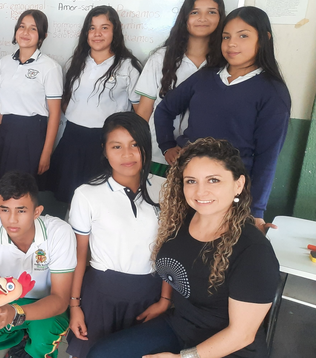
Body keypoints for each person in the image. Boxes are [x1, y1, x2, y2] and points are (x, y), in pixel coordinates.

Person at [87, 138, 280, 358]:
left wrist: (182, 357)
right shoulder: (181, 220)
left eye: (213, 180)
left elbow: (241, 335)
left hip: (230, 349)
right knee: (101, 355)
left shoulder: (254, 251)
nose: (200, 191)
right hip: (180, 326)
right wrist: (165, 301)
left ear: (238, 184)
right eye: (191, 181)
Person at [154, 6, 291, 229]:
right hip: (187, 181)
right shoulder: (206, 77)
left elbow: (267, 157)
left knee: (216, 244)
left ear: (264, 39)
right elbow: (164, 109)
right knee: (177, 235)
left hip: (229, 193)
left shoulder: (272, 92)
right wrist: (167, 145)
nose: (231, 44)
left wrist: (256, 211)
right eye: (226, 37)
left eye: (243, 36)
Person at [66, 112, 170, 358]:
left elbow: (169, 249)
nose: (127, 154)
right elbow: (80, 255)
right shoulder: (87, 194)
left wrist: (165, 299)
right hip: (101, 294)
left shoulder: (165, 189)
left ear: (146, 147)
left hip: (148, 294)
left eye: (135, 145)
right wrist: (75, 305)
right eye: (117, 146)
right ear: (104, 150)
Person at [0, 171, 76, 358]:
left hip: (47, 303)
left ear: (37, 212)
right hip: (9, 302)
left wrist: (16, 313)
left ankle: (34, 349)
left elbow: (60, 299)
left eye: (21, 210)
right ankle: (21, 338)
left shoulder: (59, 232)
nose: (12, 219)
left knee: (46, 331)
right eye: (5, 210)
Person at [47, 5, 141, 202]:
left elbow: (140, 111)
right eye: (92, 28)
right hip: (73, 139)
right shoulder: (75, 63)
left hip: (106, 142)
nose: (97, 34)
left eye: (104, 28)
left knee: (100, 198)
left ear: (115, 32)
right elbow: (66, 100)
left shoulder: (128, 66)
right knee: (69, 196)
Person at [133, 0, 225, 177]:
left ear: (221, 17)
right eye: (195, 12)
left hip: (205, 157)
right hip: (159, 154)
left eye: (211, 12)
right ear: (185, 17)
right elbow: (144, 109)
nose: (202, 18)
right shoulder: (161, 58)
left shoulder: (225, 63)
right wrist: (138, 148)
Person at [0, 10, 62, 182]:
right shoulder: (5, 62)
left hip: (31, 135)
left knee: (22, 186)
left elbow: (55, 113)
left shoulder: (50, 67)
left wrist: (46, 153)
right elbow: (1, 106)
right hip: (5, 132)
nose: (25, 32)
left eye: (33, 28)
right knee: (1, 184)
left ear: (42, 36)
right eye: (22, 27)